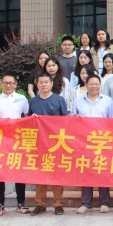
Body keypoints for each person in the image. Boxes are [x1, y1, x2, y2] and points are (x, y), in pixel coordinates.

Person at [71, 75, 113, 214]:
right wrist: (76, 118)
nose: (94, 86)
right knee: (86, 171)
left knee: (102, 170)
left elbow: (112, 121)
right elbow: (71, 119)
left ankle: (104, 202)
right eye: (91, 84)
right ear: (86, 84)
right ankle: (86, 203)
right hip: (84, 141)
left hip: (102, 141)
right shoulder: (78, 101)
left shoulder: (107, 101)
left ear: (100, 85)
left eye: (96, 84)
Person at [29, 73, 68, 215]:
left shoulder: (59, 100)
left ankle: (58, 203)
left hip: (56, 143)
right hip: (39, 143)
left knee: (56, 173)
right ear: (37, 84)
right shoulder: (33, 101)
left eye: (46, 82)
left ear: (51, 83)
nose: (44, 84)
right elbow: (28, 120)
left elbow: (66, 120)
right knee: (39, 173)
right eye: (41, 82)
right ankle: (40, 203)